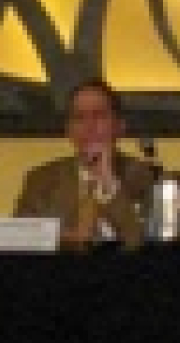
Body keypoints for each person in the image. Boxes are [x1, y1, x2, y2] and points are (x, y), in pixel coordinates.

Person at [14, 78, 171, 250]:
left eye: (99, 116)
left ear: (120, 126)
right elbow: (21, 241)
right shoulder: (41, 179)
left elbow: (148, 244)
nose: (89, 126)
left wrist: (110, 187)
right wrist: (70, 238)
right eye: (79, 118)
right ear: (69, 131)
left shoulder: (148, 178)